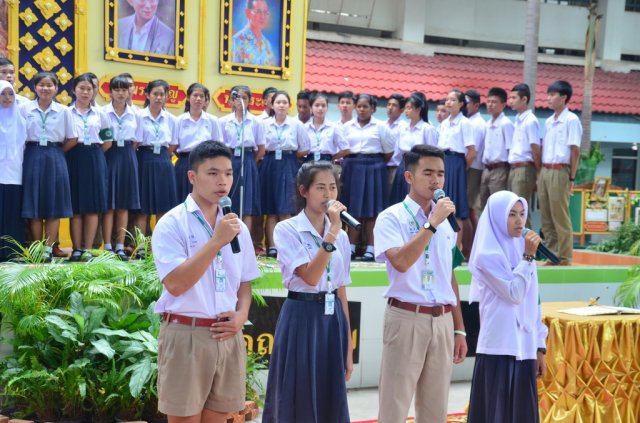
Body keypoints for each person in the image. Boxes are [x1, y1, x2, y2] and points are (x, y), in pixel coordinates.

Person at [152, 140, 260, 423]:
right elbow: (175, 284)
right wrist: (215, 242)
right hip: (187, 333)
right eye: (212, 173)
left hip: (227, 334)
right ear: (192, 176)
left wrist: (241, 315)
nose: (222, 181)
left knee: (220, 416)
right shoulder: (172, 223)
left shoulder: (237, 227)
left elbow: (245, 282)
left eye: (228, 173)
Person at [374, 144, 467, 423]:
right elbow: (401, 262)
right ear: (409, 177)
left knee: (435, 408)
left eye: (440, 173)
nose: (436, 180)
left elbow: (449, 275)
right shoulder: (391, 217)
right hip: (406, 317)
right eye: (428, 173)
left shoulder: (448, 223)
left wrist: (460, 328)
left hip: (442, 320)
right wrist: (432, 224)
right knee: (394, 404)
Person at [262, 161, 353, 423]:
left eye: (333, 188)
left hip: (331, 316)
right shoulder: (287, 229)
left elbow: (341, 289)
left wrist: (347, 345)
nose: (329, 195)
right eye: (321, 188)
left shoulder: (342, 237)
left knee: (329, 396)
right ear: (304, 191)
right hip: (301, 315)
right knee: (297, 391)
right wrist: (333, 231)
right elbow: (311, 276)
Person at [467, 190, 548, 423]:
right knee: (496, 414)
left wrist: (539, 346)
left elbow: (534, 300)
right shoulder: (487, 254)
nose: (519, 220)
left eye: (522, 214)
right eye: (511, 214)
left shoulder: (522, 249)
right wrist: (528, 259)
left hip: (524, 346)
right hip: (498, 347)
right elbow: (514, 293)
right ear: (497, 217)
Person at [22, 72, 78, 262]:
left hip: (56, 156)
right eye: (41, 85)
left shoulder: (64, 111)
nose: (45, 88)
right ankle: (37, 248)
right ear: (35, 87)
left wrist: (57, 151)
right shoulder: (25, 109)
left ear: (56, 88)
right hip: (32, 154)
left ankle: (48, 249)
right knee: (34, 203)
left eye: (49, 85)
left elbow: (72, 138)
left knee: (54, 204)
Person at [341, 93, 394, 261]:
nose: (362, 109)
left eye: (366, 106)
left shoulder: (381, 127)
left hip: (374, 167)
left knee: (373, 210)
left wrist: (372, 162)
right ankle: (351, 248)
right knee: (353, 209)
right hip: (352, 166)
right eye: (359, 106)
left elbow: (388, 152)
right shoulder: (347, 127)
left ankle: (371, 249)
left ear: (373, 109)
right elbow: (343, 147)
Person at [66, 74, 112, 262]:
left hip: (94, 157)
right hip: (73, 157)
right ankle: (76, 248)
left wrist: (93, 153)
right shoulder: (66, 113)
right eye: (81, 88)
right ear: (74, 90)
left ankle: (87, 248)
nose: (85, 92)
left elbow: (108, 142)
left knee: (92, 206)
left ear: (94, 92)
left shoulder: (101, 114)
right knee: (75, 206)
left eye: (89, 89)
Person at [260, 90, 310, 258]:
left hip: (289, 164)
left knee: (286, 208)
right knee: (271, 209)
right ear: (272, 105)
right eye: (278, 102)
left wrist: (290, 158)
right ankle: (272, 246)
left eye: (284, 102)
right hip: (269, 164)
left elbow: (304, 148)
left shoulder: (297, 125)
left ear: (289, 105)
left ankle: (286, 246)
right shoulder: (264, 124)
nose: (281, 105)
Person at [538, 80, 581, 266]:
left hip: (560, 170)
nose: (548, 98)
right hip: (545, 170)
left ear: (563, 97)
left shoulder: (571, 120)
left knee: (560, 215)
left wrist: (571, 177)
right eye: (548, 94)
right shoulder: (548, 121)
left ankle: (565, 256)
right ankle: (552, 254)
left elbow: (575, 151)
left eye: (552, 95)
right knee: (546, 215)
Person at [102, 75, 141, 260]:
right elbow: (104, 140)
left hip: (127, 155)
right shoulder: (103, 112)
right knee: (109, 204)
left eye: (124, 90)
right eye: (116, 89)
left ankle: (120, 245)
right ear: (110, 92)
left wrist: (127, 154)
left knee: (123, 205)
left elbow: (136, 141)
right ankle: (107, 245)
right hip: (109, 154)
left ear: (129, 92)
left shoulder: (136, 114)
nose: (120, 93)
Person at [134, 79, 178, 236]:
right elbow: (135, 142)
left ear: (167, 97)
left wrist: (161, 157)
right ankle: (140, 247)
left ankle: (159, 244)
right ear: (147, 95)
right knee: (142, 209)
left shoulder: (172, 119)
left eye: (162, 94)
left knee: (163, 207)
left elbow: (173, 144)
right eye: (155, 94)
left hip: (163, 162)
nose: (158, 98)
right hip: (143, 159)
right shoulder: (139, 116)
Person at [219, 85, 265, 232]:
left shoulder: (256, 122)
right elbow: (221, 145)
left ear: (250, 101)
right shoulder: (224, 121)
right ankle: (227, 237)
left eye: (244, 98)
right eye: (236, 98)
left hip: (248, 160)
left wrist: (250, 161)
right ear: (231, 101)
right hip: (229, 160)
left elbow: (261, 148)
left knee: (246, 204)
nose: (240, 101)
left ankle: (245, 239)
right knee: (229, 199)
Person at [437, 90, 476, 242]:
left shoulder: (465, 123)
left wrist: (460, 169)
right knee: (441, 205)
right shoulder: (444, 123)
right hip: (443, 162)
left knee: (457, 208)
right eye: (447, 99)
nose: (449, 102)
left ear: (461, 104)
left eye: (453, 100)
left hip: (457, 163)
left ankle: (456, 247)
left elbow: (472, 152)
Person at [174, 83, 221, 202]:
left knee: (204, 198)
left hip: (206, 162)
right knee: (182, 198)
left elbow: (217, 145)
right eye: (195, 95)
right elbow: (174, 145)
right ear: (188, 98)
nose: (198, 99)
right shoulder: (179, 120)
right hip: (184, 162)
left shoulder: (212, 120)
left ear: (206, 100)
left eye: (202, 96)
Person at [389, 92, 437, 205]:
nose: (406, 111)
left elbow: (433, 153)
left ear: (419, 109)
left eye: (409, 108)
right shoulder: (403, 128)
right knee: (399, 199)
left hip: (419, 167)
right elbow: (397, 152)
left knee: (415, 199)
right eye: (405, 108)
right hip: (403, 166)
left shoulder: (427, 129)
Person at [0, 80, 27, 261]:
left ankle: (12, 251)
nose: (7, 98)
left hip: (15, 173)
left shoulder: (21, 119)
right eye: (3, 94)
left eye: (10, 94)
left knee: (13, 213)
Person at [508, 83, 540, 229]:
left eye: (514, 98)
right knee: (514, 209)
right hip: (514, 168)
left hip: (524, 168)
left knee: (522, 210)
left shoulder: (530, 120)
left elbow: (535, 147)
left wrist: (538, 172)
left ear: (524, 99)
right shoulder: (518, 119)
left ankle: (528, 249)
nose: (511, 101)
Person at [479, 87, 514, 210]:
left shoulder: (506, 123)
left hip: (500, 169)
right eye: (488, 101)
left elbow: (511, 150)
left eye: (494, 102)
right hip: (486, 169)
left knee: (498, 205)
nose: (490, 105)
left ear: (503, 104)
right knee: (483, 205)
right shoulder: (487, 124)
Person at [462, 90, 485, 259]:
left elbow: (472, 151)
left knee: (469, 210)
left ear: (476, 105)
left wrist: (463, 168)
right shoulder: (468, 121)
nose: (465, 106)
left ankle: (471, 249)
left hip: (472, 168)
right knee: (467, 209)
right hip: (468, 167)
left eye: (467, 103)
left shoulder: (476, 124)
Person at [304, 92, 350, 163]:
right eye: (317, 105)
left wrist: (331, 158)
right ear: (311, 108)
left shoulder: (334, 127)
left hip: (326, 162)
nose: (320, 108)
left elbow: (346, 149)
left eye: (323, 105)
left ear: (327, 108)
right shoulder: (305, 127)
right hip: (309, 161)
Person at [231, 0, 276, 66]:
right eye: (258, 12)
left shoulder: (267, 44)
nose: (262, 17)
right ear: (248, 13)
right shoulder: (236, 41)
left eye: (265, 12)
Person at [385, 93, 407, 198]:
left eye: (394, 105)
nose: (390, 108)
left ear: (402, 109)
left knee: (392, 196)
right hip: (382, 166)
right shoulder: (382, 125)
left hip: (395, 167)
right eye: (388, 104)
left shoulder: (404, 127)